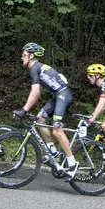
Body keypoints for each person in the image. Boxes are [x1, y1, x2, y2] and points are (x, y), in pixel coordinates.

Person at [13, 43, 76, 174]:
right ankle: (52, 150)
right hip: (59, 95)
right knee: (40, 119)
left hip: (63, 96)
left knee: (57, 131)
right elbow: (38, 92)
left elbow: (35, 92)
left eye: (24, 55)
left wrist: (24, 110)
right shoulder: (38, 68)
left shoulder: (35, 67)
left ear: (31, 56)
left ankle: (72, 162)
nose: (21, 58)